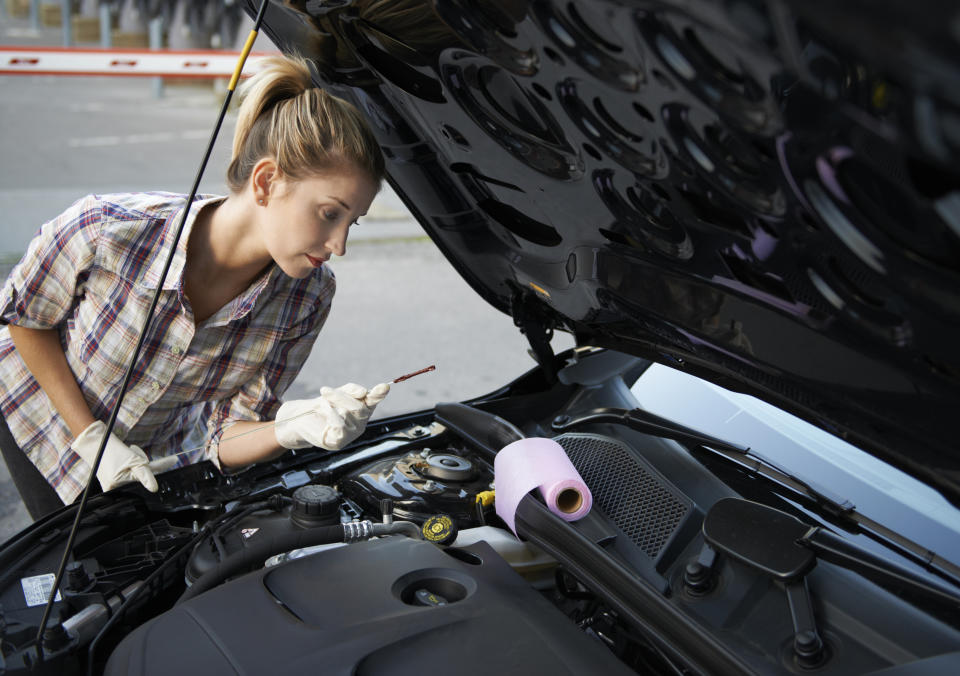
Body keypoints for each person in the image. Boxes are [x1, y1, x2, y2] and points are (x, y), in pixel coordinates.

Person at [0, 55, 389, 519]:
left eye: (353, 222)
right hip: (35, 415)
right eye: (330, 213)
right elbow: (25, 319)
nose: (340, 245)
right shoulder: (107, 228)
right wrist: (91, 438)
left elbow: (225, 434)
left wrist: (291, 428)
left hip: (146, 458)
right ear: (267, 182)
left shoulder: (308, 298)